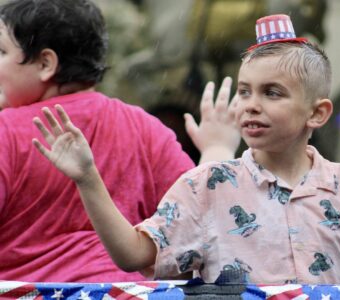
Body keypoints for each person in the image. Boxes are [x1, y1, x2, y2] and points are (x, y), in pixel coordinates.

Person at [33, 14, 340, 284]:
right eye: (245, 90)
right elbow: (134, 255)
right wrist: (87, 178)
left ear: (318, 113)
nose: (251, 104)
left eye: (272, 92)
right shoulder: (208, 183)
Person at [0, 0, 239, 282]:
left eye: (2, 51)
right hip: (129, 290)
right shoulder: (144, 127)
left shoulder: (6, 131)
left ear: (45, 63)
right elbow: (199, 221)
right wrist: (216, 150)